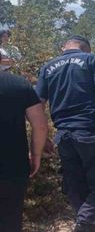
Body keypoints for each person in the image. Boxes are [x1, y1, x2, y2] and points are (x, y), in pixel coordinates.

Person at [36, 35, 95, 232]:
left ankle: (85, 225)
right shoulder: (92, 59)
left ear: (64, 48)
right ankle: (85, 224)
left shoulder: (48, 67)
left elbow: (37, 105)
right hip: (90, 132)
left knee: (76, 185)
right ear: (86, 48)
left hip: (64, 136)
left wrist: (41, 137)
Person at [0, 66, 48, 231]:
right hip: (13, 165)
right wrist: (36, 155)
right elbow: (40, 125)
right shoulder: (20, 84)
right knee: (10, 219)